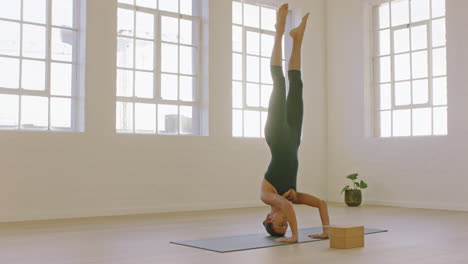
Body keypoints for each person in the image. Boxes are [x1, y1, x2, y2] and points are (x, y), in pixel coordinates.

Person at [260, 3, 330, 243]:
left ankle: (279, 30)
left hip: (276, 134)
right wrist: (326, 229)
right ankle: (297, 38)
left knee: (278, 82)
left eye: (280, 224)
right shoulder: (292, 197)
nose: (286, 222)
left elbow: (286, 208)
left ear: (270, 218)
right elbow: (321, 203)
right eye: (286, 227)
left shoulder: (268, 197)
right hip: (293, 136)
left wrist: (295, 237)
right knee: (297, 84)